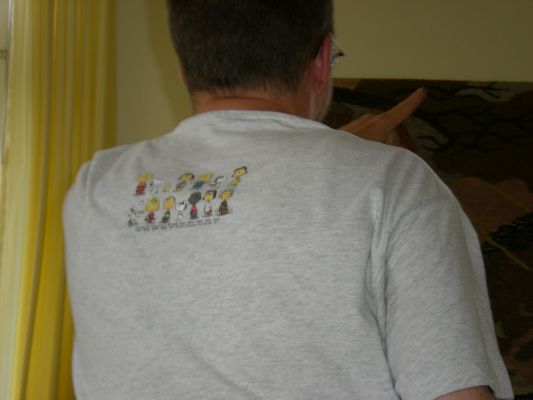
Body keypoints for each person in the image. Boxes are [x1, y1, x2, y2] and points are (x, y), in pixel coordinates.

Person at [62, 1, 513, 399]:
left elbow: (235, 223)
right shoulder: (396, 185)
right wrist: (355, 166)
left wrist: (341, 162)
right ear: (321, 60)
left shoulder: (97, 188)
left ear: (183, 66)